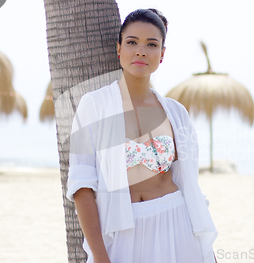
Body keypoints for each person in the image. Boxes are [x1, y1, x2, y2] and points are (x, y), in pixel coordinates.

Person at [66, 8, 218, 263]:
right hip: (122, 233)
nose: (140, 51)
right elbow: (81, 185)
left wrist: (208, 253)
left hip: (177, 223)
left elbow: (189, 183)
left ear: (162, 54)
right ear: (119, 49)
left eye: (151, 44)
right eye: (132, 42)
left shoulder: (176, 112)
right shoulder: (94, 105)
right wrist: (101, 257)